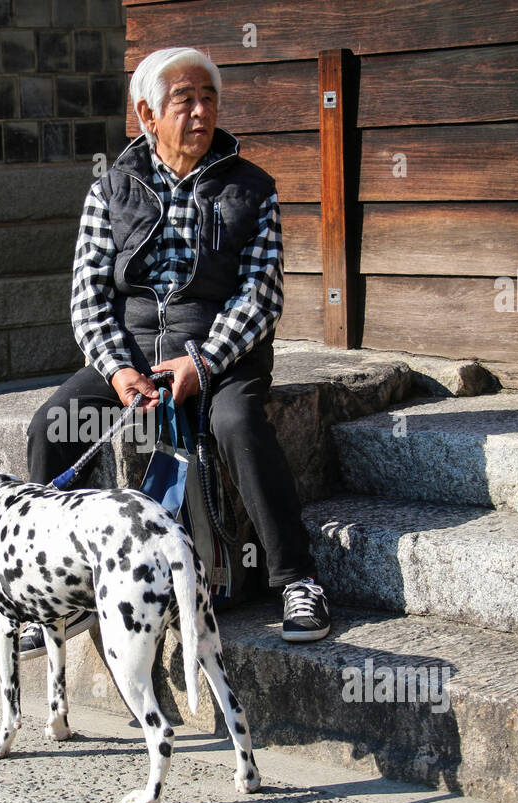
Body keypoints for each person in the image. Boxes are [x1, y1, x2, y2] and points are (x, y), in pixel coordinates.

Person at [22, 46, 330, 657]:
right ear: (147, 113)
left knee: (237, 422)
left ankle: (297, 578)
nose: (200, 110)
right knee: (53, 424)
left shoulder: (251, 188)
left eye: (209, 97)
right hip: (131, 350)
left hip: (221, 350)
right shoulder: (111, 189)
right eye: (184, 99)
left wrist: (204, 361)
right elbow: (88, 296)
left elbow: (260, 296)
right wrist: (116, 370)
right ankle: (62, 588)